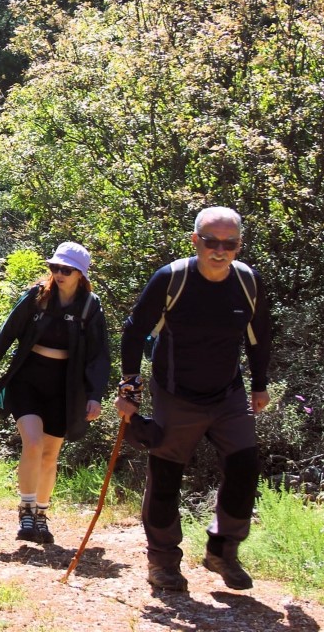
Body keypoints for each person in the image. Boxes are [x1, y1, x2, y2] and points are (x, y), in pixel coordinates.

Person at [115, 206, 272, 592]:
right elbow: (134, 331)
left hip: (228, 394)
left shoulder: (247, 282)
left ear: (238, 245)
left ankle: (222, 549)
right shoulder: (173, 278)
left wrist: (259, 384)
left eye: (229, 244)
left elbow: (259, 335)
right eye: (210, 242)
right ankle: (163, 563)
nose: (219, 251)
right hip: (176, 393)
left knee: (245, 467)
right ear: (195, 241)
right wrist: (130, 386)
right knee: (166, 478)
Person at [0, 242, 109, 545]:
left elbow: (100, 355)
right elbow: (6, 334)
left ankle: (42, 514)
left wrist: (95, 394)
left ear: (80, 274)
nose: (58, 274)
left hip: (64, 387)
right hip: (28, 380)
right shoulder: (37, 298)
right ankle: (26, 509)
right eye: (54, 267)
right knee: (32, 443)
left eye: (66, 269)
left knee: (50, 454)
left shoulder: (89, 306)